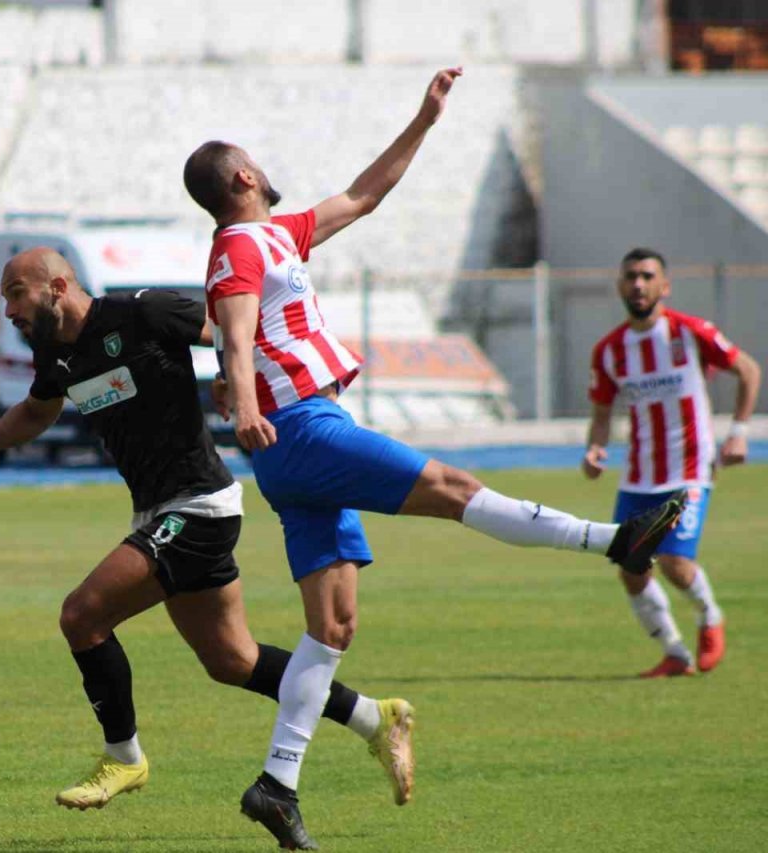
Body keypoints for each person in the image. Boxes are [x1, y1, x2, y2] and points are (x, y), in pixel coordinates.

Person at [183, 68, 686, 850]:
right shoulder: (242, 244)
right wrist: (243, 400)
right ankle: (613, 540)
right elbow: (236, 330)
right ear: (244, 177)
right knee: (453, 486)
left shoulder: (275, 234)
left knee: (333, 625)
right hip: (302, 429)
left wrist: (424, 119)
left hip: (298, 435)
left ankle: (276, 783)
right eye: (256, 159)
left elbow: (364, 194)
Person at [0, 247, 416, 830]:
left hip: (201, 506)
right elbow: (37, 412)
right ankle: (374, 717)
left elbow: (231, 332)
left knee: (82, 616)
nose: (7, 309)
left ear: (57, 287)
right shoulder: (57, 354)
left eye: (15, 293)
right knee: (232, 661)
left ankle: (122, 758)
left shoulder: (142, 313)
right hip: (158, 512)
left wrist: (243, 390)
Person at [583, 247, 760, 678]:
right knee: (630, 570)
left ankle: (709, 616)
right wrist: (595, 448)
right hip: (639, 476)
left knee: (676, 565)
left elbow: (749, 370)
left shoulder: (689, 332)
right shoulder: (609, 350)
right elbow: (603, 412)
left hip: (690, 469)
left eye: (647, 276)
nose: (638, 284)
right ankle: (675, 654)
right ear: (620, 285)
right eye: (631, 277)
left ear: (665, 285)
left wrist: (737, 433)